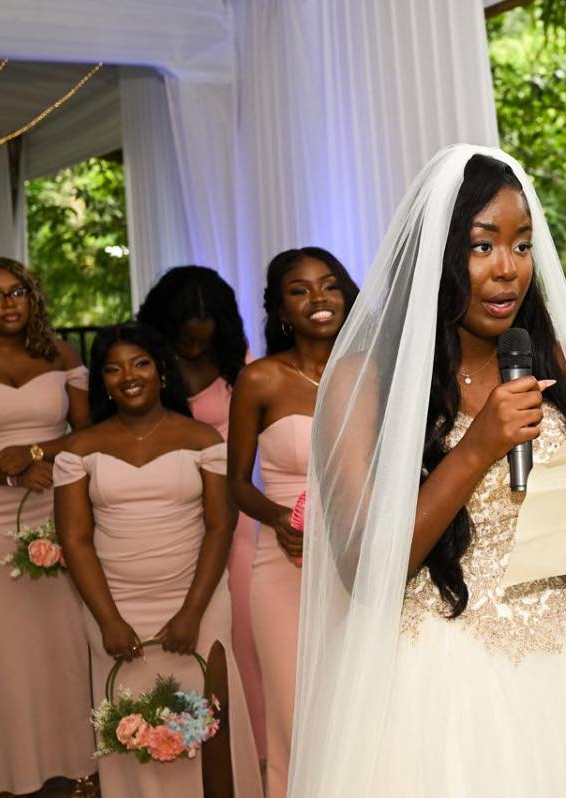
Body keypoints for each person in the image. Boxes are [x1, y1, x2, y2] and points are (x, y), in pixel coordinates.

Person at [289, 147, 566, 796]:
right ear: (437, 256)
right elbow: (363, 570)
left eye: (522, 245)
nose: (508, 269)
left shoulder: (541, 358)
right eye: (482, 246)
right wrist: (476, 449)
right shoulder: (366, 382)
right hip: (445, 679)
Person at [54, 322, 262, 798]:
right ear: (103, 382)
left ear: (162, 371)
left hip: (198, 599)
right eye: (113, 369)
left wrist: (192, 612)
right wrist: (108, 620)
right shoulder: (79, 449)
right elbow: (76, 539)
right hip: (115, 605)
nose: (129, 376)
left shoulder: (203, 439)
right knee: (131, 729)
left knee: (210, 722)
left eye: (141, 363)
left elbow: (220, 528)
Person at [0, 257, 95, 796]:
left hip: (53, 508)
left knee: (59, 638)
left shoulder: (60, 355)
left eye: (17, 291)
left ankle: (73, 763)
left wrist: (36, 452)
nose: (7, 303)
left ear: (32, 298)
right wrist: (9, 475)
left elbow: (86, 434)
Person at [227, 247, 357, 798]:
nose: (318, 299)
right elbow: (236, 484)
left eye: (328, 285)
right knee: (294, 709)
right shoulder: (260, 379)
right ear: (281, 310)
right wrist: (277, 517)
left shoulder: (377, 371)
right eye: (299, 290)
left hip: (360, 562)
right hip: (285, 564)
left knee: (359, 702)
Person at [137, 264, 265, 757]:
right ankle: (174, 733)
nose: (194, 337)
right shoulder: (148, 366)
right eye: (184, 327)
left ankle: (252, 744)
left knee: (244, 623)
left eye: (204, 323)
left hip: (235, 510)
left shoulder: (238, 361)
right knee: (179, 619)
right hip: (167, 511)